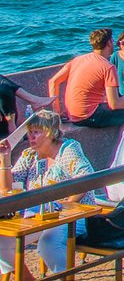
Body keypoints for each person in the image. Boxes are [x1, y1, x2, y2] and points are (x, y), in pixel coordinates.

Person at [0, 110, 95, 278]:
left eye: (36, 132)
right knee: (2, 242)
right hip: (39, 216)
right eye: (29, 133)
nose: (31, 137)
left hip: (74, 214)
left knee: (48, 243)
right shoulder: (30, 155)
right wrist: (5, 159)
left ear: (51, 133)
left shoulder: (67, 149)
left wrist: (65, 207)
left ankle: (66, 277)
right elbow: (7, 189)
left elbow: (85, 179)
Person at [47, 27, 124, 126]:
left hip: (72, 115)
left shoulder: (77, 60)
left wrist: (57, 112)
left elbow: (53, 81)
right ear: (109, 43)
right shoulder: (108, 67)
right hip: (89, 117)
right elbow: (114, 104)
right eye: (112, 41)